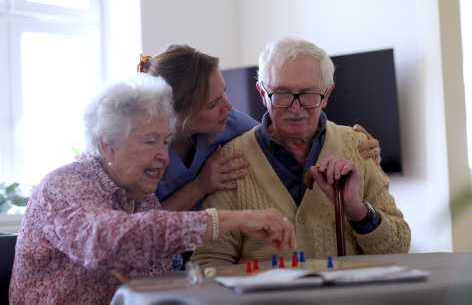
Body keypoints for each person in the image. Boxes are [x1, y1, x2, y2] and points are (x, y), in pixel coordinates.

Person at [8, 74, 296, 304]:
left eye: (166, 141)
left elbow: (155, 280)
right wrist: (233, 220)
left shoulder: (142, 199)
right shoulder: (64, 185)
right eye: (150, 142)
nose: (163, 155)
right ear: (108, 144)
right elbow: (107, 241)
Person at [191, 37, 410, 267]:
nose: (296, 109)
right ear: (262, 93)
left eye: (308, 94)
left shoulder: (359, 147)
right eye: (282, 94)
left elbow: (398, 248)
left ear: (327, 94)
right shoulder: (232, 160)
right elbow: (210, 261)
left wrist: (358, 211)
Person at [141, 44, 383, 213]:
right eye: (213, 104)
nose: (228, 106)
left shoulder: (231, 123)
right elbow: (136, 228)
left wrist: (353, 145)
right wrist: (200, 186)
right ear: (175, 115)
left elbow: (277, 144)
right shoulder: (135, 149)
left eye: (224, 92)